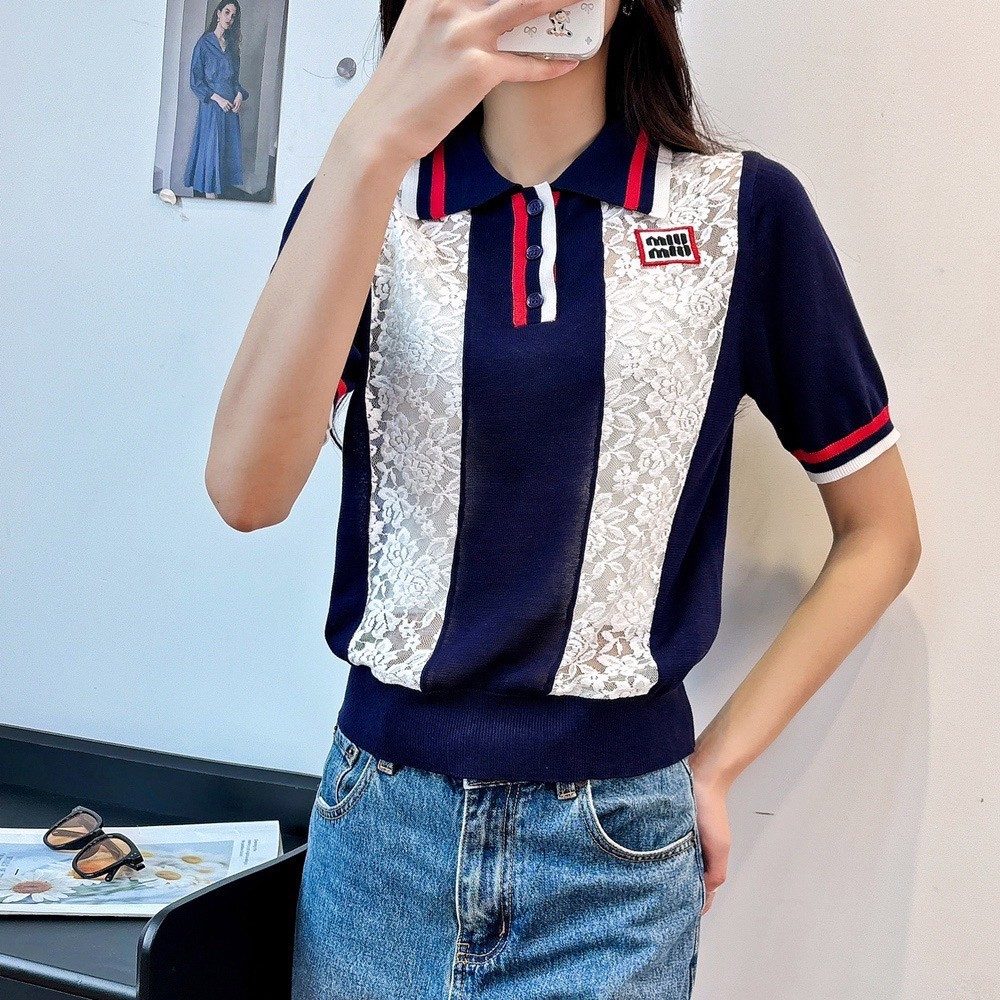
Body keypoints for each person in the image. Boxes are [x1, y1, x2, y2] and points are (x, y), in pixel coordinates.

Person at [205, 0, 921, 996]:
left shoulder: (739, 212)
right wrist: (368, 139)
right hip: (379, 840)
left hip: (616, 862)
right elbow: (246, 492)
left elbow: (881, 532)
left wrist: (713, 767)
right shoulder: (365, 199)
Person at [183, 1, 250, 198]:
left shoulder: (232, 47)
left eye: (233, 16)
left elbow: (235, 81)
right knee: (211, 151)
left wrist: (239, 95)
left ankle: (218, 199)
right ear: (218, 13)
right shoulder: (204, 44)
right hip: (213, 106)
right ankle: (209, 198)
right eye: (227, 12)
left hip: (230, 109)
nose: (229, 18)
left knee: (225, 153)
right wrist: (218, 99)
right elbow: (196, 81)